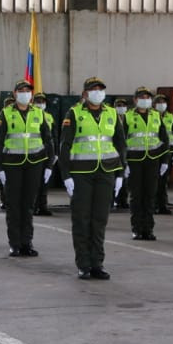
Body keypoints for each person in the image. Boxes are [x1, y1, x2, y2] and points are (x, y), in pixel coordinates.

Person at [58, 77, 126, 280]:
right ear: (85, 93)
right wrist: (66, 175)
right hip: (81, 174)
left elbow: (120, 145)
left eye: (101, 89)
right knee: (81, 219)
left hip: (106, 172)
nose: (98, 92)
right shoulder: (75, 113)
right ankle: (84, 264)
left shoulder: (112, 113)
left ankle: (97, 263)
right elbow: (65, 145)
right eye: (93, 89)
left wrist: (120, 173)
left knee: (99, 220)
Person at [0, 80, 54, 258]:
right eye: (21, 91)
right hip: (12, 165)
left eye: (28, 91)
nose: (25, 94)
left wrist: (49, 164)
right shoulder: (4, 114)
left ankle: (26, 243)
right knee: (14, 206)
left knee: (28, 205)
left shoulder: (39, 113)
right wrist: (0, 168)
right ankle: (14, 244)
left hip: (34, 164)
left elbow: (47, 139)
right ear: (14, 94)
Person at [123, 87, 170, 240]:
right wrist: (124, 164)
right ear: (135, 100)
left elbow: (164, 139)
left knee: (150, 196)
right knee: (136, 196)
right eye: (142, 97)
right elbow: (121, 142)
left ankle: (148, 229)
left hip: (152, 161)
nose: (145, 99)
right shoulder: (128, 117)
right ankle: (137, 228)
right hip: (134, 162)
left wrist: (164, 161)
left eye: (148, 97)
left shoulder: (156, 116)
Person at [32, 92, 56, 216]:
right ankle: (34, 206)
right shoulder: (31, 115)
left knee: (45, 181)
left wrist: (54, 154)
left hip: (47, 152)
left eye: (42, 102)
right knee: (35, 182)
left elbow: (53, 136)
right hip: (36, 152)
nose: (40, 104)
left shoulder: (49, 117)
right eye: (38, 101)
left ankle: (43, 206)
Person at [153, 94, 173, 215]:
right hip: (154, 152)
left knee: (163, 180)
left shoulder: (170, 117)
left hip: (168, 152)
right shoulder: (151, 117)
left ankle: (162, 204)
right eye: (159, 102)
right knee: (154, 180)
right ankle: (154, 204)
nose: (162, 104)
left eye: (163, 101)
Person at [113, 98, 130, 210]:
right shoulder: (111, 117)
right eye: (118, 105)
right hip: (113, 152)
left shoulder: (129, 118)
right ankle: (112, 200)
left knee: (124, 178)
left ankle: (122, 200)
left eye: (123, 105)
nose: (121, 107)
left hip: (126, 151)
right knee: (113, 177)